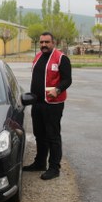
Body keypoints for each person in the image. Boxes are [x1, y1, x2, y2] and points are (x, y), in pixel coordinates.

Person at [23, 32, 72, 180]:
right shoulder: (38, 57)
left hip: (53, 104)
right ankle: (39, 163)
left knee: (53, 136)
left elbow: (67, 80)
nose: (44, 45)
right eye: (41, 42)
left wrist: (57, 90)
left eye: (47, 42)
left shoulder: (61, 58)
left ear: (53, 43)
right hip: (37, 103)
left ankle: (54, 167)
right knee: (39, 135)